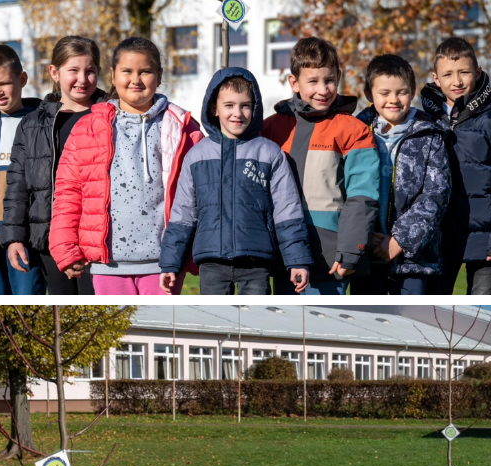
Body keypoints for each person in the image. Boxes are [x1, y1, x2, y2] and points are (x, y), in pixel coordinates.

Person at [49, 36, 203, 295]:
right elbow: (68, 191)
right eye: (127, 71)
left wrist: (193, 251)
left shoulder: (182, 127)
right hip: (107, 263)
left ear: (160, 75)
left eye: (145, 71)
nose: (136, 79)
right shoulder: (87, 128)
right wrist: (65, 247)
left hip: (164, 263)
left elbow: (200, 193)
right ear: (112, 74)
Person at [159, 68, 311, 295]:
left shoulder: (269, 153)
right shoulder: (197, 156)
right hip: (212, 261)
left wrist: (297, 259)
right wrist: (170, 264)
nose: (237, 113)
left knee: (256, 319)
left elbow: (287, 210)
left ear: (255, 108)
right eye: (229, 105)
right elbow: (183, 213)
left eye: (245, 105)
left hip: (257, 260)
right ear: (215, 109)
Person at [262, 37, 381, 295]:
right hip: (281, 250)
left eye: (328, 80)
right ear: (294, 82)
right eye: (312, 81)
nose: (323, 89)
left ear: (338, 77)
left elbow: (363, 195)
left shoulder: (354, 130)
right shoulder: (271, 128)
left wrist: (351, 249)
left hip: (331, 256)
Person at [1, 36, 106, 295]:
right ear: (54, 72)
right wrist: (14, 237)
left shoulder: (111, 116)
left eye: (90, 71)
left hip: (98, 238)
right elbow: (17, 185)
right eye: (73, 70)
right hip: (48, 238)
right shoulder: (32, 124)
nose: (82, 79)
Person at [419, 36, 491, 294]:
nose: (457, 81)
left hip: (486, 240)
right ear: (436, 78)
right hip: (437, 238)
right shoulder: (422, 121)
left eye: (464, 72)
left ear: (477, 72)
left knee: (480, 310)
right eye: (448, 74)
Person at [352, 54, 451, 294]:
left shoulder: (429, 134)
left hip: (414, 259)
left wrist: (400, 241)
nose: (393, 100)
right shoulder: (356, 131)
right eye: (384, 93)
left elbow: (436, 194)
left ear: (413, 91)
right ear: (368, 94)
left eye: (402, 92)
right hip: (365, 251)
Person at [0, 44, 45, 295]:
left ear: (22, 79)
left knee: (27, 298)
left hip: (26, 234)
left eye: (3, 83)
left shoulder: (42, 123)